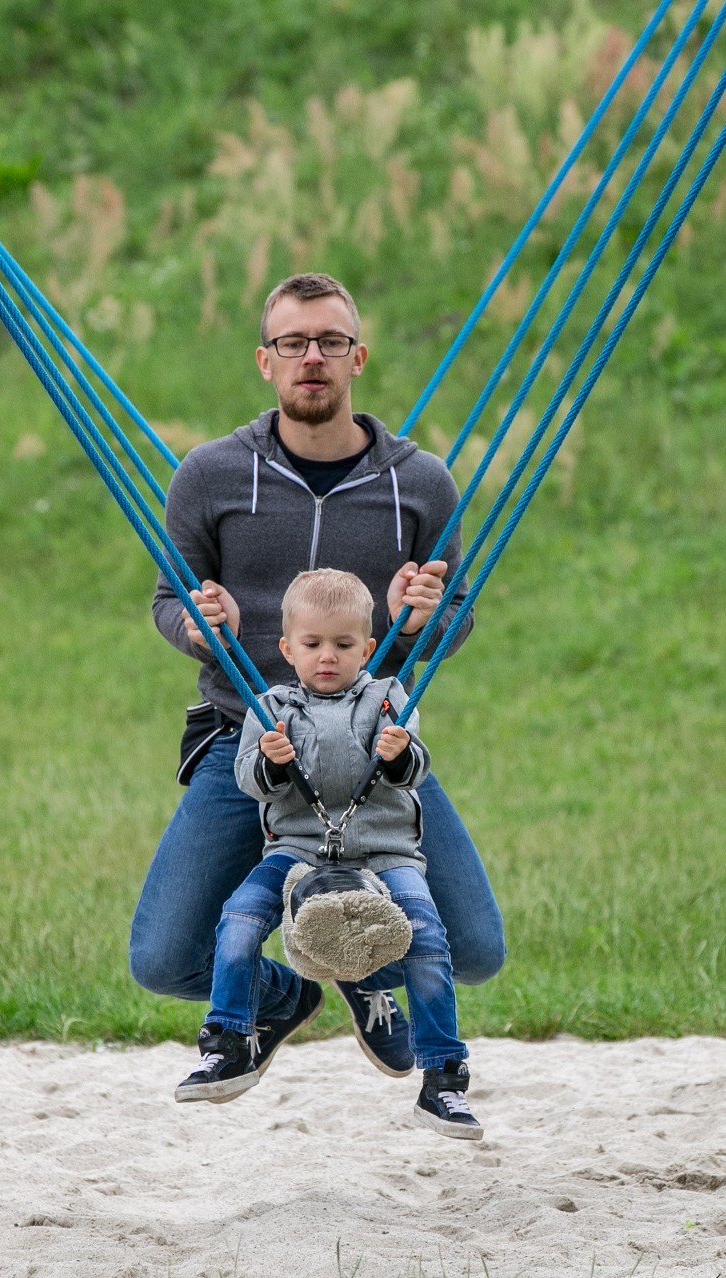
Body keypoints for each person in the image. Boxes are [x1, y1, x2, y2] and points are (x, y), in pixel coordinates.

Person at [130, 272, 505, 1078]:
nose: (312, 358)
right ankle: (288, 994)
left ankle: (363, 963)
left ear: (357, 357)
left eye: (330, 342)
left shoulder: (421, 482)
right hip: (250, 740)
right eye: (294, 343)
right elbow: (169, 601)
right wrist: (201, 628)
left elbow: (457, 619)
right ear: (266, 362)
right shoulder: (211, 474)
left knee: (475, 952)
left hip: (372, 751)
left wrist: (419, 619)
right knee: (162, 961)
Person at [175, 569, 483, 1140]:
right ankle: (228, 1039)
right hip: (296, 851)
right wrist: (270, 760)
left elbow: (415, 770)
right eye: (312, 645)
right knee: (238, 921)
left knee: (427, 934)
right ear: (286, 648)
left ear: (368, 648)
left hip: (386, 851)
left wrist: (397, 755)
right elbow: (251, 781)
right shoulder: (269, 708)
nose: (327, 657)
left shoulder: (389, 698)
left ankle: (442, 1072)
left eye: (343, 645)